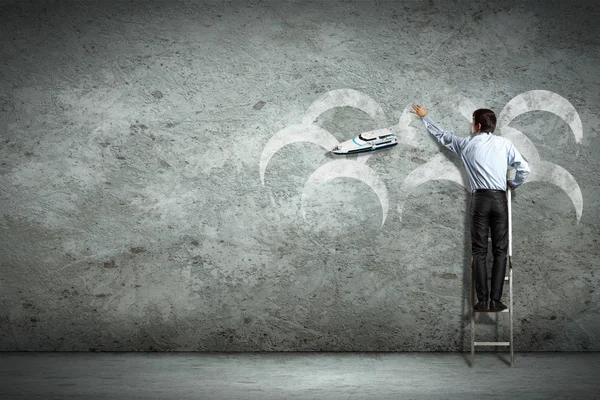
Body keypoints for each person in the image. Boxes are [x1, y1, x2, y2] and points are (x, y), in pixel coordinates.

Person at [410, 104, 530, 311]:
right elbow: (524, 169)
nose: (471, 125)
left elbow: (443, 136)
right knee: (500, 251)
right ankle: (496, 300)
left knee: (480, 251)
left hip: (480, 201)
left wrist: (425, 117)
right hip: (500, 199)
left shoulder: (466, 144)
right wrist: (513, 184)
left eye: (472, 122)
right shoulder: (505, 144)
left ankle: (482, 301)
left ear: (478, 125)